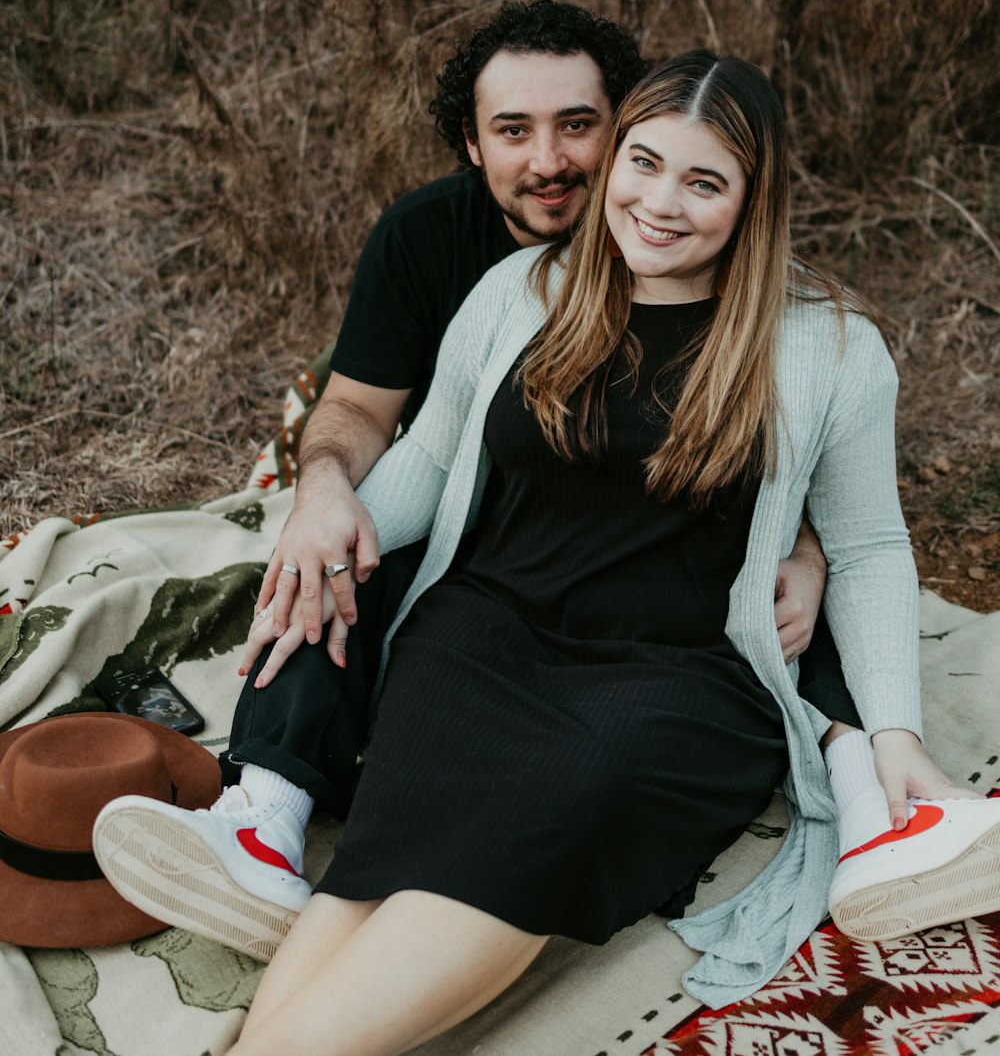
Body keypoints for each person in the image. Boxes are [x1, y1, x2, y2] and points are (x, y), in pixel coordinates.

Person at [95, 52, 1000, 1056]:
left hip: (675, 678)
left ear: (752, 200)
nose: (658, 203)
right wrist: (323, 523)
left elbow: (871, 545)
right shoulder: (525, 288)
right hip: (479, 635)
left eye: (702, 181)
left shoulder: (825, 346)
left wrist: (895, 736)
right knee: (378, 861)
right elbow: (432, 457)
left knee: (527, 834)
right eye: (643, 162)